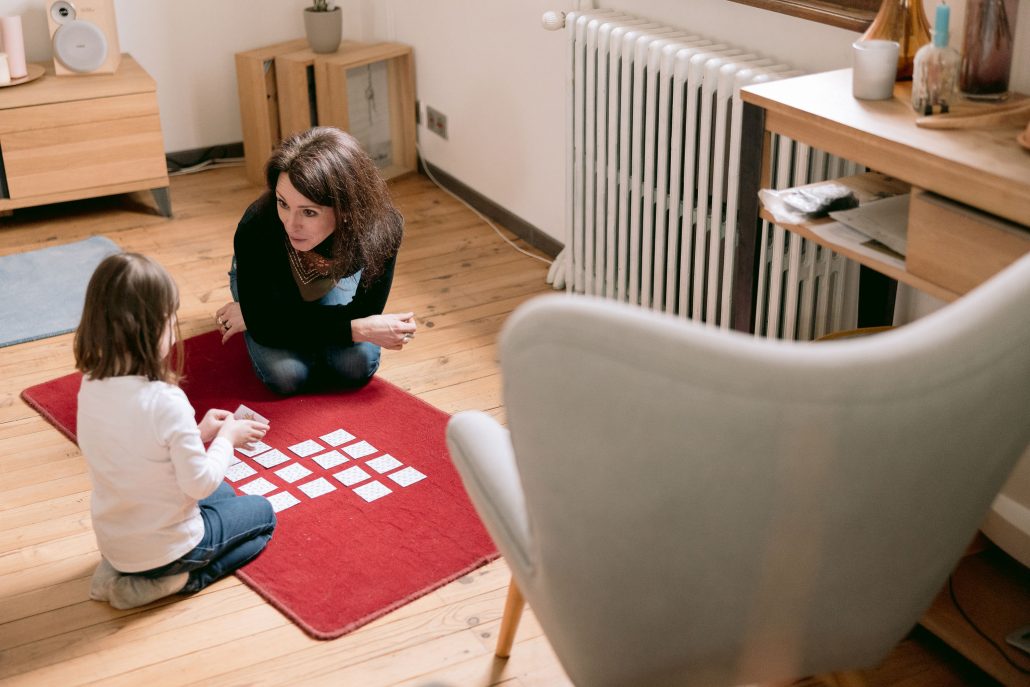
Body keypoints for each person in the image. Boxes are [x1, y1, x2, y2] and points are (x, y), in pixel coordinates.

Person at [75, 252, 277, 610]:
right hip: (170, 550)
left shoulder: (91, 384)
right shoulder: (166, 400)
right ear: (154, 328)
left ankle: (119, 572)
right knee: (262, 516)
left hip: (114, 542)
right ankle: (177, 580)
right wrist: (227, 438)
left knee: (228, 496)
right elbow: (199, 485)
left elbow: (135, 448)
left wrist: (198, 434)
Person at [215, 126, 416, 396]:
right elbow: (266, 329)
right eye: (283, 203)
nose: (290, 224)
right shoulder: (257, 226)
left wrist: (266, 319)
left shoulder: (382, 228)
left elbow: (362, 311)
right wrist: (359, 329)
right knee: (286, 375)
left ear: (346, 209)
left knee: (355, 365)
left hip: (324, 281)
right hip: (270, 280)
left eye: (309, 212)